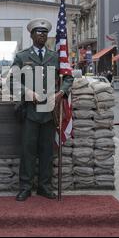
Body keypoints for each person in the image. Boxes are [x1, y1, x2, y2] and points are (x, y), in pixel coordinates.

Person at [11, 18, 74, 202]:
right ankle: (25, 187)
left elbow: (68, 78)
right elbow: (12, 81)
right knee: (28, 151)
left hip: (49, 111)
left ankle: (45, 187)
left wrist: (61, 92)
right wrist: (27, 92)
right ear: (31, 35)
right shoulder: (22, 57)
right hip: (30, 111)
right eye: (38, 32)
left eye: (45, 33)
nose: (42, 35)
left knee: (47, 151)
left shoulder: (56, 57)